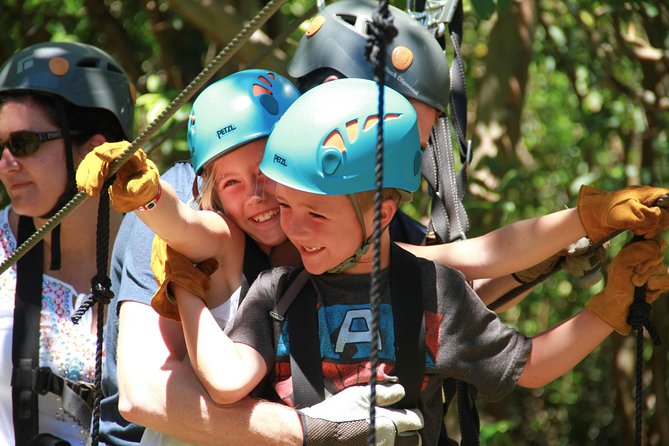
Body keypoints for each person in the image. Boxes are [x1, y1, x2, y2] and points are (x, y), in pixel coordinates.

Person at [167, 78, 669, 446]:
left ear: (382, 214)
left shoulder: (432, 289)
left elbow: (528, 360)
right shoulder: (279, 289)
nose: (292, 227)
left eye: (314, 212)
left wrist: (609, 304)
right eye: (287, 207)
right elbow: (228, 381)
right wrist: (183, 287)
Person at [78, 70, 421, 445]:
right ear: (213, 193)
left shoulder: (342, 236)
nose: (257, 195)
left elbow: (434, 261)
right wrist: (147, 195)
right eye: (231, 183)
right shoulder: (227, 239)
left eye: (265, 173)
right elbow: (184, 224)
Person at [0, 42, 134, 445]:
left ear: (93, 150)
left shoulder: (159, 251)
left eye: (23, 143)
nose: (6, 164)